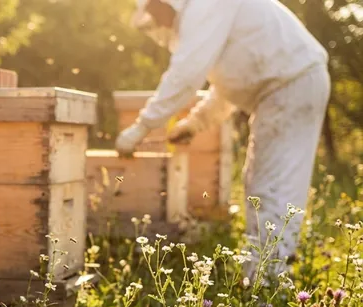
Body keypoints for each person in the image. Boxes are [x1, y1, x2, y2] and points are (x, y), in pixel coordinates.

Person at [116, 0, 331, 277]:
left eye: (153, 11)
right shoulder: (209, 15)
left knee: (272, 185)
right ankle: (268, 270)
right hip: (288, 86)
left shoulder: (206, 5)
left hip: (290, 87)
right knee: (261, 181)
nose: (156, 22)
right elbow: (228, 87)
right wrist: (195, 123)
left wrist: (140, 128)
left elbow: (185, 74)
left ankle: (268, 277)